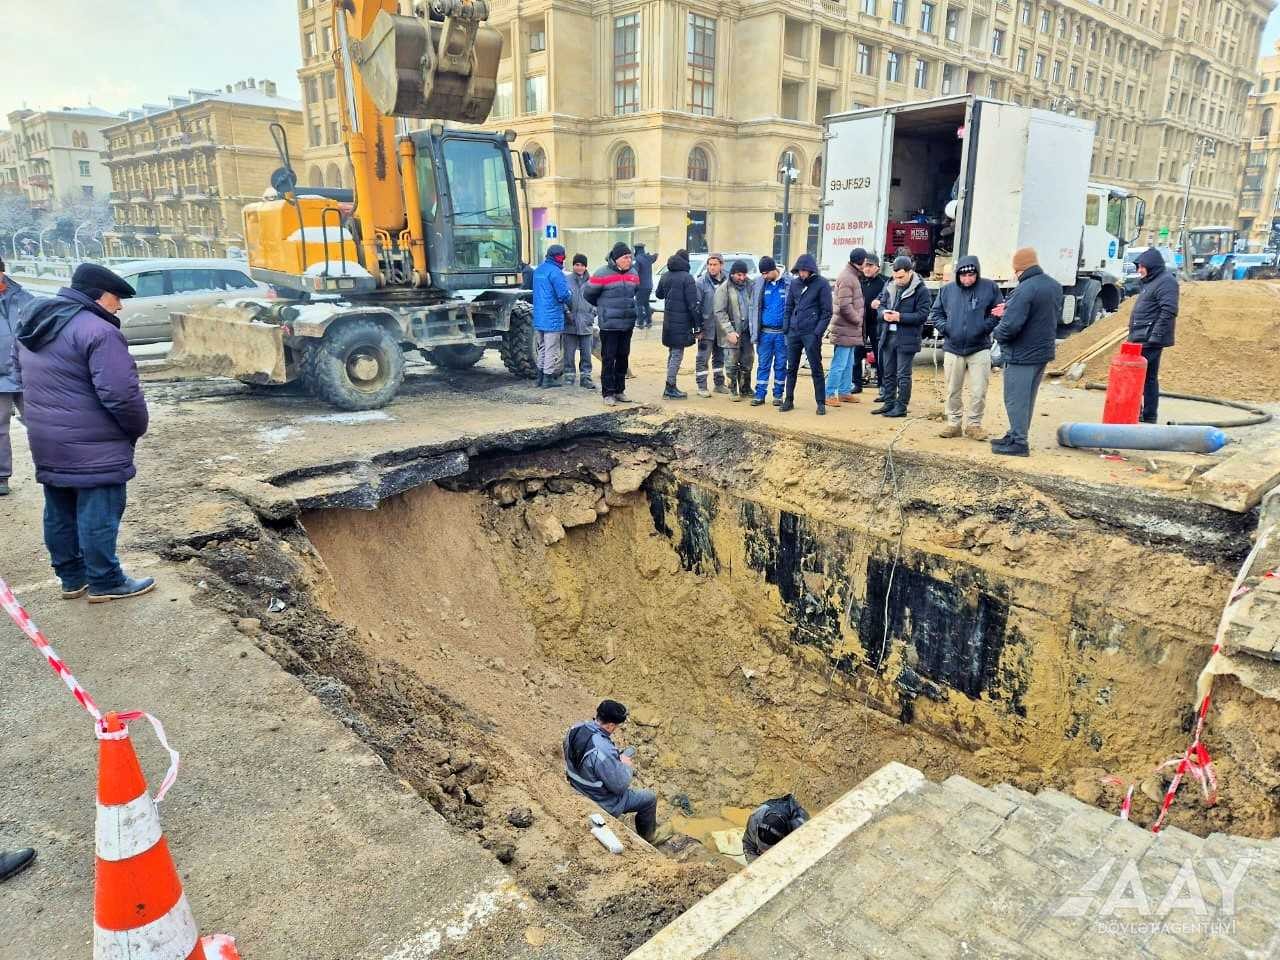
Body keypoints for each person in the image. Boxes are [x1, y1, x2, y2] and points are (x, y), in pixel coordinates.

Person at [13, 264, 155, 602]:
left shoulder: (37, 323)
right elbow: (121, 393)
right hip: (93, 442)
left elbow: (20, 374)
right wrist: (137, 426)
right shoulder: (98, 331)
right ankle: (106, 581)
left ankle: (72, 579)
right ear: (100, 295)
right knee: (99, 512)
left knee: (60, 509)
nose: (119, 305)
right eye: (117, 297)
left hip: (47, 437)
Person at [991, 247, 1061, 457]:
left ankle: (1019, 442)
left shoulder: (1024, 289)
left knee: (1015, 398)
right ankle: (1015, 433)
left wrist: (997, 332)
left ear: (1018, 269)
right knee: (1027, 397)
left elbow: (1011, 326)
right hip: (1042, 352)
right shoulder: (1053, 285)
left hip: (1022, 353)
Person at [929, 255, 1003, 440]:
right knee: (953, 389)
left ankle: (974, 424)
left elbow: (997, 312)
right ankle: (953, 423)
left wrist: (983, 328)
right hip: (953, 348)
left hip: (979, 347)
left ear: (977, 273)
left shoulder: (990, 288)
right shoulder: (947, 291)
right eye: (963, 276)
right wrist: (946, 329)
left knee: (979, 390)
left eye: (971, 275)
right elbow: (936, 313)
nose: (967, 279)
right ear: (957, 275)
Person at [563, 699, 658, 844]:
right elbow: (620, 786)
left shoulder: (575, 728)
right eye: (616, 726)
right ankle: (649, 839)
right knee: (649, 799)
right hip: (601, 801)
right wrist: (625, 764)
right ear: (611, 725)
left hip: (576, 785)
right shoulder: (603, 751)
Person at [871, 255, 933, 418]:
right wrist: (883, 314)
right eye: (895, 276)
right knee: (888, 372)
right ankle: (889, 403)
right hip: (887, 335)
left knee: (903, 375)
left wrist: (900, 317)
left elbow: (922, 315)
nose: (898, 280)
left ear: (910, 272)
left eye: (901, 277)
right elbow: (881, 306)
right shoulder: (889, 285)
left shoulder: (921, 290)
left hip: (907, 337)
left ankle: (901, 406)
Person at [583, 242, 640, 406]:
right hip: (609, 325)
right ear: (616, 259)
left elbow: (634, 291)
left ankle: (619, 390)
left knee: (623, 357)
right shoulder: (601, 273)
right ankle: (608, 393)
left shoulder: (633, 274)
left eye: (630, 257)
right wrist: (603, 308)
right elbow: (588, 294)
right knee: (609, 358)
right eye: (625, 257)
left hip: (627, 323)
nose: (629, 260)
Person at [1127, 246, 1178, 423]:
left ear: (1152, 266)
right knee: (1145, 378)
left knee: (1141, 377)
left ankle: (1143, 414)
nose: (1139, 270)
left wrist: (1155, 336)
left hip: (1149, 340)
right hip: (1142, 337)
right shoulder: (1151, 282)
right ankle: (1144, 414)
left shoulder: (1166, 282)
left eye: (1142, 266)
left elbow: (1169, 310)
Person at [780, 253, 832, 415]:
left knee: (816, 368)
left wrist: (818, 333)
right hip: (794, 332)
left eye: (804, 271)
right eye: (799, 271)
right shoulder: (795, 284)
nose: (801, 274)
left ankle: (821, 403)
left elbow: (827, 311)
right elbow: (788, 307)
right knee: (791, 368)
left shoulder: (822, 284)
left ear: (811, 270)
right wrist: (786, 328)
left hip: (811, 333)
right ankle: (788, 400)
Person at [0, 258, 35, 497]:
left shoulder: (25, 298)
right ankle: (1, 477)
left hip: (27, 374)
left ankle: (58, 468)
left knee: (42, 424)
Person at [826, 249, 867, 408]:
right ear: (861, 261)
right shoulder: (847, 278)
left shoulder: (852, 276)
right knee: (839, 364)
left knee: (849, 363)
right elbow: (844, 305)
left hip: (849, 329)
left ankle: (844, 392)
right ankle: (829, 394)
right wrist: (857, 320)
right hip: (845, 328)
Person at [656, 251, 700, 399]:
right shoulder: (687, 278)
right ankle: (670, 386)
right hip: (682, 323)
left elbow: (658, 295)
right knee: (677, 354)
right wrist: (697, 325)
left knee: (672, 352)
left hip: (668, 321)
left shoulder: (665, 275)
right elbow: (693, 305)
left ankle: (670, 385)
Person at [531, 244, 573, 388]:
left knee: (542, 347)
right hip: (552, 316)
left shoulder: (538, 271)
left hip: (538, 316)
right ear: (559, 257)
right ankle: (548, 379)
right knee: (551, 348)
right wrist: (570, 297)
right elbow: (563, 294)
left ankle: (540, 377)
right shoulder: (555, 272)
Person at [750, 256, 789, 407]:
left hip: (782, 334)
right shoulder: (760, 283)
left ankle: (778, 395)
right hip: (765, 333)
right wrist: (755, 330)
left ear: (774, 269)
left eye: (766, 273)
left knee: (780, 365)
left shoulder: (788, 283)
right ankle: (759, 394)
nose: (764, 276)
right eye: (762, 274)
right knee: (763, 364)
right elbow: (753, 308)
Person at [719, 260, 759, 401]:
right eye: (739, 275)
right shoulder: (724, 288)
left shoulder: (751, 285)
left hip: (747, 332)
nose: (742, 278)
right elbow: (719, 312)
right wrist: (729, 331)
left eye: (744, 275)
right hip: (732, 332)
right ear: (732, 274)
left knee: (748, 360)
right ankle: (732, 390)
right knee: (731, 362)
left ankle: (745, 388)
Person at [694, 253, 729, 398]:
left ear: (721, 265)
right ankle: (702, 386)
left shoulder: (727, 281)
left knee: (720, 357)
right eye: (710, 264)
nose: (712, 267)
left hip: (722, 328)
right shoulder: (701, 283)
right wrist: (698, 328)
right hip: (706, 328)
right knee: (703, 358)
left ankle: (719, 384)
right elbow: (696, 307)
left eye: (715, 264)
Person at [742, 794, 809, 863]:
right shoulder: (756, 817)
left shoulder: (801, 828)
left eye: (767, 850)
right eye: (763, 849)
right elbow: (748, 845)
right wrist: (755, 866)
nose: (764, 853)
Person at [563, 254, 596, 389]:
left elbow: (597, 299)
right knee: (569, 352)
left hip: (586, 322)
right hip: (570, 321)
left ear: (585, 266)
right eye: (577, 264)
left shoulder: (592, 281)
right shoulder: (566, 280)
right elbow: (562, 298)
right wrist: (567, 312)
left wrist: (593, 313)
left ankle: (586, 377)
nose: (579, 267)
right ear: (573, 265)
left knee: (586, 353)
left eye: (582, 265)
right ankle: (569, 375)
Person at [860, 254, 887, 392]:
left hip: (877, 323)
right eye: (865, 265)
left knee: (880, 353)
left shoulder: (885, 282)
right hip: (861, 323)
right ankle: (856, 383)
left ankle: (882, 384)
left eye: (870, 266)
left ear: (877, 267)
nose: (867, 269)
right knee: (857, 354)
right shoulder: (859, 280)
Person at [633, 242, 657, 331]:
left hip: (641, 285)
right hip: (649, 285)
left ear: (636, 249)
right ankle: (649, 321)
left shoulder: (637, 259)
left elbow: (635, 271)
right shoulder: (648, 258)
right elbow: (655, 257)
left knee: (638, 304)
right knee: (646, 303)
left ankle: (640, 322)